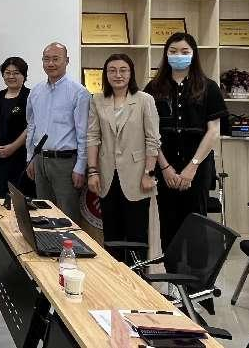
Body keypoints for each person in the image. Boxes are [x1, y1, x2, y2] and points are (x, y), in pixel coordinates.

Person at [144, 32, 226, 249]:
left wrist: (192, 167)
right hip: (165, 166)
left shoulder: (209, 87)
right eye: (173, 51)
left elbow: (213, 131)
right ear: (166, 55)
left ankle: (195, 272)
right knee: (168, 224)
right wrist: (165, 167)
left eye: (184, 51)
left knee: (196, 225)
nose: (178, 56)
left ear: (193, 54)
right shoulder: (153, 88)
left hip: (198, 166)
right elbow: (149, 132)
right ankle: (171, 270)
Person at [86, 53, 160, 261]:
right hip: (107, 176)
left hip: (137, 176)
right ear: (105, 74)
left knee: (137, 234)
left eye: (123, 70)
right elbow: (92, 137)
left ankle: (137, 277)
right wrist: (92, 171)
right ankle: (114, 276)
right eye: (112, 70)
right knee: (112, 234)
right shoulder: (97, 100)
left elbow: (153, 140)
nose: (118, 75)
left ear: (131, 73)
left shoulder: (144, 100)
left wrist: (149, 173)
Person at [25, 42, 90, 222]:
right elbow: (31, 126)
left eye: (56, 59)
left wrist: (80, 167)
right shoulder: (36, 91)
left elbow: (83, 133)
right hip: (40, 161)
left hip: (66, 164)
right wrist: (30, 157)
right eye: (46, 59)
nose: (51, 64)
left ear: (67, 61)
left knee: (67, 217)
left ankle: (68, 243)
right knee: (44, 215)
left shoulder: (79, 92)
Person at [0, 56, 31, 199]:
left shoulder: (30, 96)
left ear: (24, 76)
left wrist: (13, 147)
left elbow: (31, 126)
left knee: (19, 200)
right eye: (7, 73)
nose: (11, 76)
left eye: (16, 73)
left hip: (20, 157)